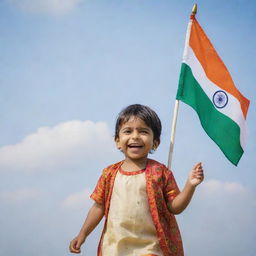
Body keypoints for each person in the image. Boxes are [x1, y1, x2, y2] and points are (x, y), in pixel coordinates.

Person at [69, 104, 204, 256]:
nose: (135, 136)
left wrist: (190, 185)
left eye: (143, 131)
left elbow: (175, 207)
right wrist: (83, 234)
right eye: (128, 131)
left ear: (155, 142)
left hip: (151, 248)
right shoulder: (109, 173)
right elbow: (98, 207)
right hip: (114, 248)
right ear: (117, 141)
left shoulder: (161, 172)